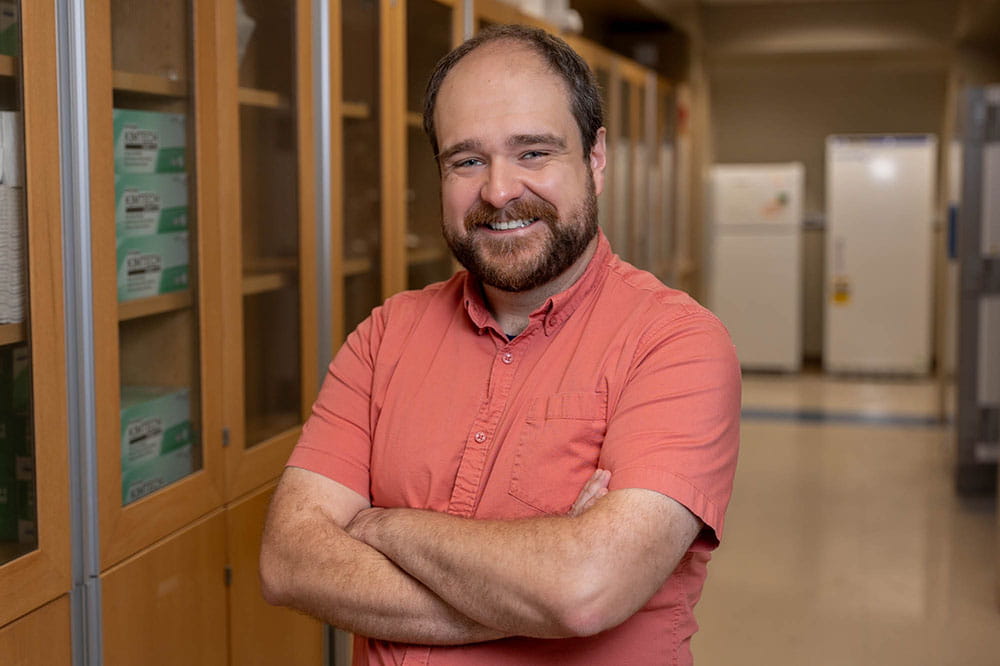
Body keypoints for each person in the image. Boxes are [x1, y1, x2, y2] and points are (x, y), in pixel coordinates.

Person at [260, 24, 740, 665]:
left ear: (595, 159)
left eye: (533, 152)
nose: (499, 190)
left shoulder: (677, 345)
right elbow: (288, 559)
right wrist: (529, 591)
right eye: (466, 160)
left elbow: (585, 591)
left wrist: (380, 526)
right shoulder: (384, 336)